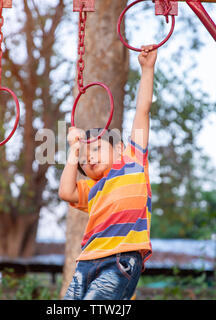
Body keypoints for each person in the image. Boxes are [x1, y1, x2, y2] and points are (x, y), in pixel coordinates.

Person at [59, 45, 157, 300]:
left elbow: (142, 111)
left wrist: (147, 69)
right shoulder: (92, 188)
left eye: (96, 148)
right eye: (85, 156)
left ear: (120, 148)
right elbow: (65, 191)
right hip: (86, 262)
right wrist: (73, 149)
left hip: (121, 260)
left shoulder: (133, 162)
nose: (89, 156)